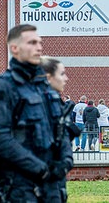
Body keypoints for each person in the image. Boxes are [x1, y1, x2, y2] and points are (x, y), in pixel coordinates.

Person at [0, 24, 71, 202]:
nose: (39, 47)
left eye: (39, 42)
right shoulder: (3, 87)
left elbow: (61, 128)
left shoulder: (44, 86)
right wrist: (39, 168)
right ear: (14, 48)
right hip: (20, 186)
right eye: (32, 43)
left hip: (52, 184)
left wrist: (65, 161)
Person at [39, 55, 77, 201]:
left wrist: (66, 160)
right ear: (49, 78)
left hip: (56, 179)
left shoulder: (55, 103)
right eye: (61, 74)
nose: (66, 78)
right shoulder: (35, 105)